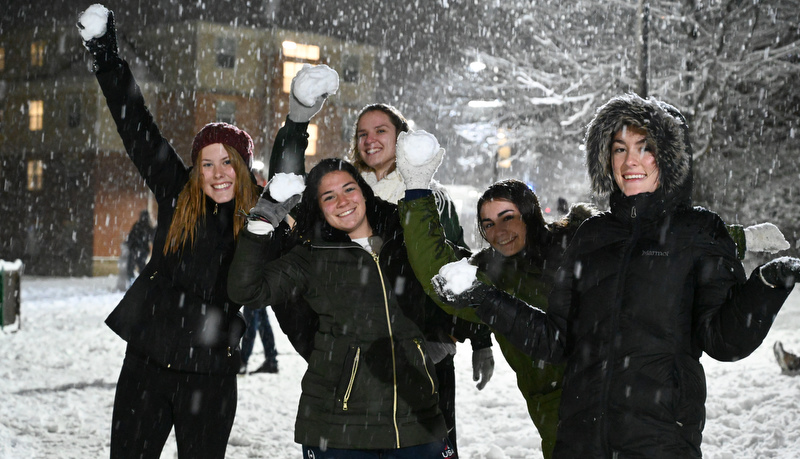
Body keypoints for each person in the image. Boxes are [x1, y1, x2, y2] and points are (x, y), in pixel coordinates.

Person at [430, 93, 800, 458]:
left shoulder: (699, 231)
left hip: (658, 439)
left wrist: (767, 286)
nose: (629, 161)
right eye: (619, 149)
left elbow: (723, 340)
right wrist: (484, 296)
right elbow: (557, 340)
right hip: (580, 438)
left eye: (644, 147)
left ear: (668, 159)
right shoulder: (592, 235)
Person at [266, 67, 494, 456]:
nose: (370, 140)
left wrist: (477, 339)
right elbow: (283, 188)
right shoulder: (344, 192)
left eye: (380, 131)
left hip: (424, 357)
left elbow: (454, 267)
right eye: (362, 134)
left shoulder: (430, 197)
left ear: (403, 138)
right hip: (353, 361)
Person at [78, 6, 257, 458]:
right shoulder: (178, 196)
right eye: (207, 163)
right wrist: (106, 56)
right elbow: (138, 127)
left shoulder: (260, 223)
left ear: (243, 168)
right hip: (147, 365)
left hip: (211, 376)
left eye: (227, 163)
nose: (217, 173)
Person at [228, 158, 454, 458]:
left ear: (363, 191)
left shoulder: (405, 241)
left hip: (418, 420)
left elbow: (456, 276)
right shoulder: (311, 256)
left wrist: (440, 340)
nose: (342, 201)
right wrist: (262, 219)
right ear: (319, 207)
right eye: (329, 196)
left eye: (349, 189)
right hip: (337, 426)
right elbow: (246, 290)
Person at [396, 154, 593, 458]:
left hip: (612, 399)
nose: (498, 232)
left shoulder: (579, 246)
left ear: (530, 213)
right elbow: (438, 271)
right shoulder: (490, 274)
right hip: (555, 417)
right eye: (488, 224)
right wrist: (418, 191)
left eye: (508, 217)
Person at [239, 306, 279, 374]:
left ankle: (243, 362)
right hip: (261, 297)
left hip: (252, 297)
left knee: (251, 325)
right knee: (263, 322)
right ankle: (271, 360)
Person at [125, 210, 154, 281]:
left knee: (131, 266)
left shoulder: (137, 225)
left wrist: (130, 245)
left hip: (135, 249)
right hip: (142, 250)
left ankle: (131, 281)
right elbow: (151, 238)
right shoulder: (148, 227)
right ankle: (143, 282)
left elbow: (131, 237)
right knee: (141, 267)